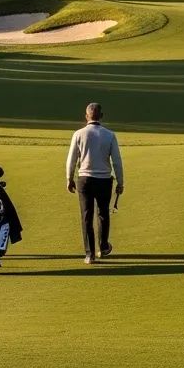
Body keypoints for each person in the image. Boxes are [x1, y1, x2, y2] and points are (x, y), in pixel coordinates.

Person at [66, 102, 124, 264]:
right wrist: (120, 181)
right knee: (103, 213)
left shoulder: (78, 134)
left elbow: (71, 160)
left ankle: (89, 254)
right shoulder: (109, 135)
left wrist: (69, 178)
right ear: (102, 116)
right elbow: (117, 162)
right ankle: (103, 246)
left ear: (86, 116)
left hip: (84, 179)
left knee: (86, 216)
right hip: (104, 180)